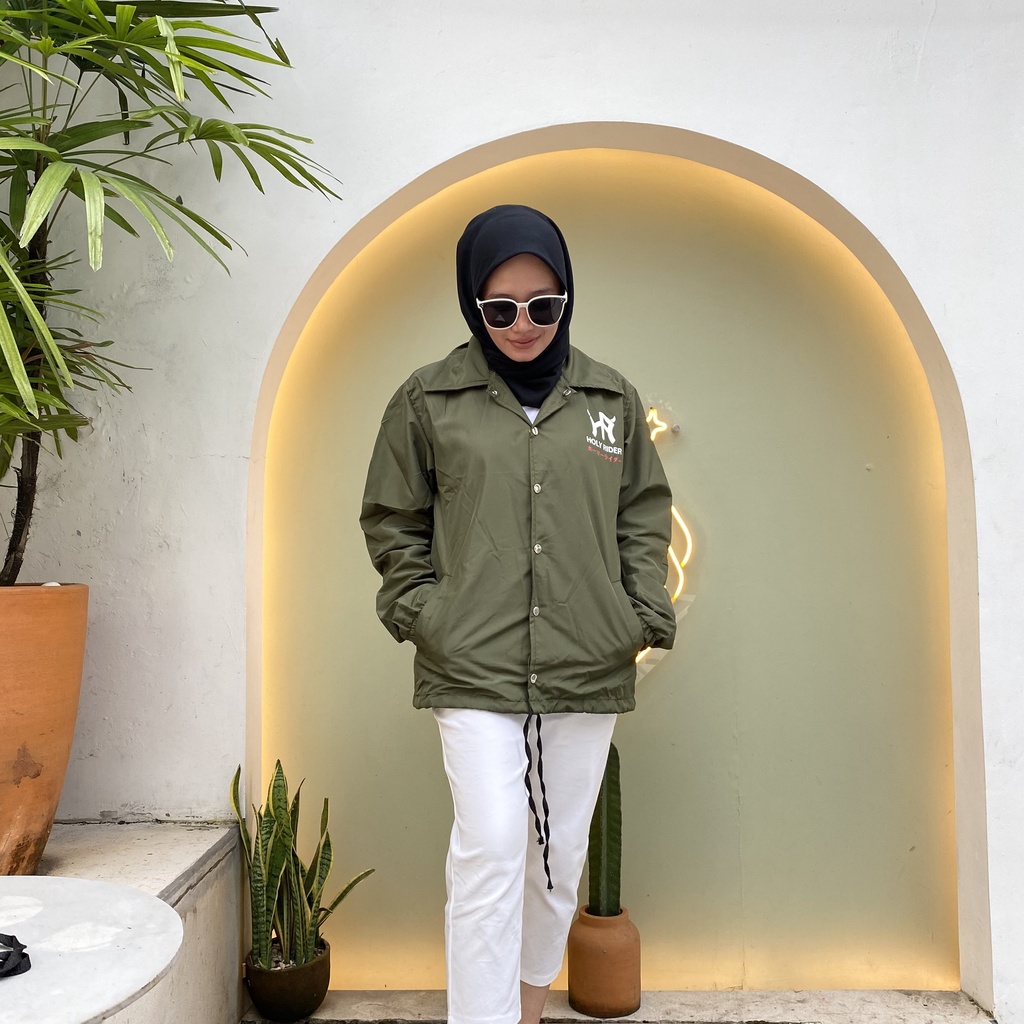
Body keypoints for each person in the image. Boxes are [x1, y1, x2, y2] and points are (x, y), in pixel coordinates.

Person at [360, 205, 676, 1024]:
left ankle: (527, 1008)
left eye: (544, 304)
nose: (524, 324)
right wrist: (427, 613)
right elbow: (393, 519)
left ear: (567, 297)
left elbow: (642, 513)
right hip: (471, 663)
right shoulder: (428, 399)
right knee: (492, 846)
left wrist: (638, 612)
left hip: (587, 659)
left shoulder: (610, 399)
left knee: (557, 856)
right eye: (500, 309)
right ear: (473, 305)